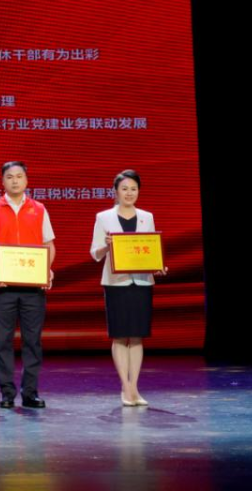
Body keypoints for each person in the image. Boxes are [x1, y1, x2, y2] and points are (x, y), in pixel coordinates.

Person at [0, 161, 56, 409]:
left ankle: (30, 392)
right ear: (3, 182)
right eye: (10, 177)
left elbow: (49, 245)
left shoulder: (39, 209)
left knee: (32, 341)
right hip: (3, 288)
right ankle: (7, 393)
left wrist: (46, 268)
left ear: (26, 180)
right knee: (3, 341)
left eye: (19, 176)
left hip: (33, 287)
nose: (15, 181)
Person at [90, 169, 167, 406]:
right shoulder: (104, 217)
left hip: (142, 282)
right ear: (115, 191)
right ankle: (126, 388)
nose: (129, 193)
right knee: (120, 336)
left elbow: (149, 249)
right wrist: (106, 245)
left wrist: (158, 265)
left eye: (133, 189)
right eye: (124, 189)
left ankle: (134, 388)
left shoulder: (147, 216)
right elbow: (95, 253)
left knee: (137, 337)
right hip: (116, 283)